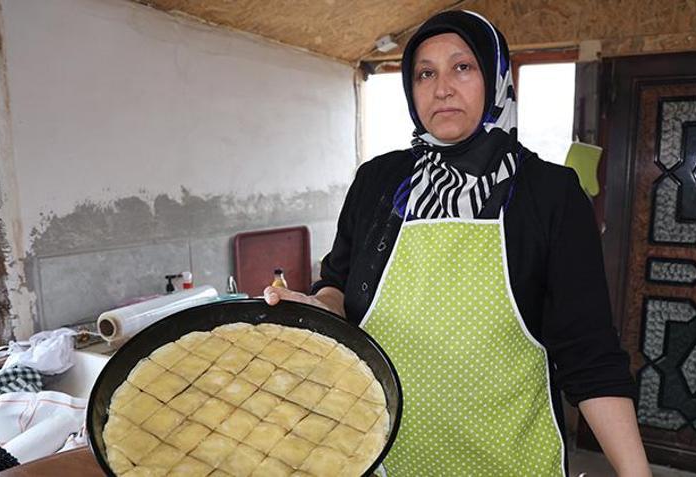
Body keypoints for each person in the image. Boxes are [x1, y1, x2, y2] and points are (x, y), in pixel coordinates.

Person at [265, 10, 651, 476]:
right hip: (382, 453)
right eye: (425, 73)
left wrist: (636, 473)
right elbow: (339, 286)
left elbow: (589, 355)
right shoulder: (377, 181)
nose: (442, 87)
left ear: (495, 79)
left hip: (509, 458)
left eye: (462, 67)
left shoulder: (550, 193)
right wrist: (317, 306)